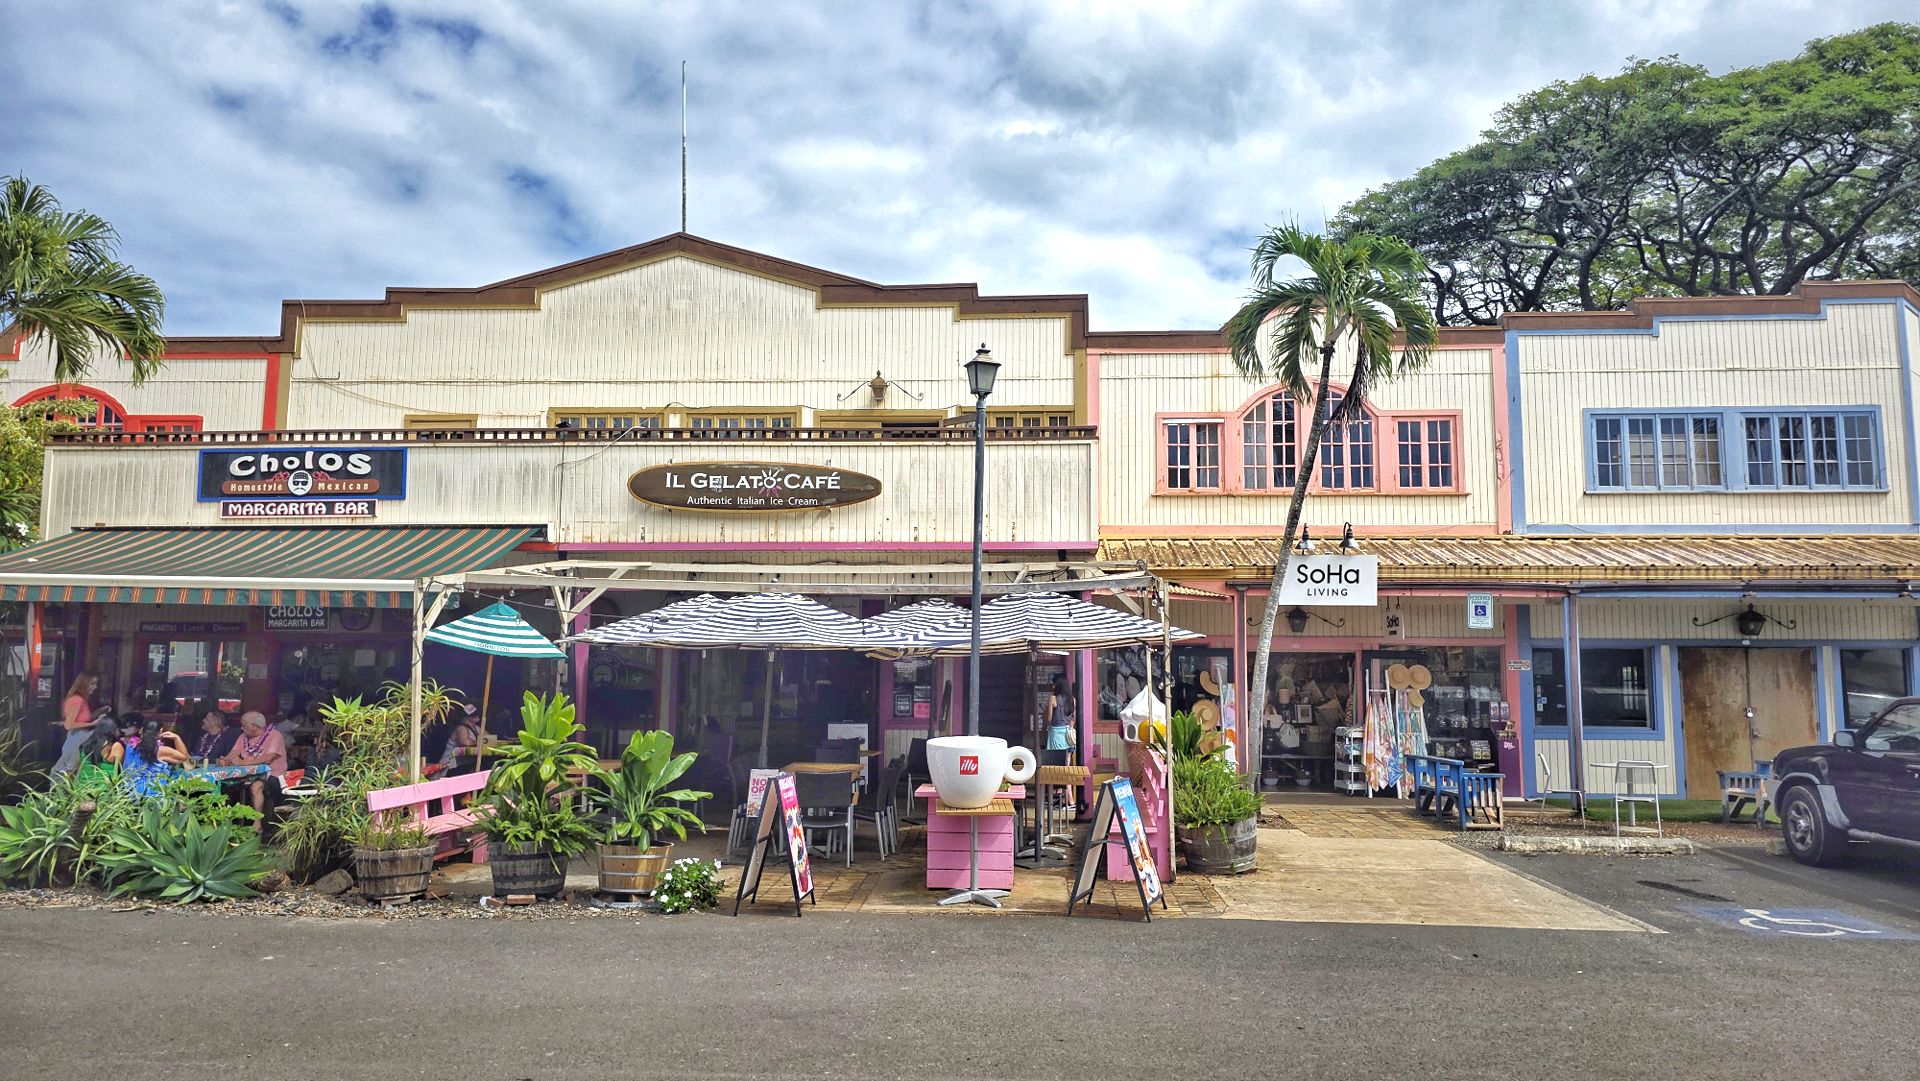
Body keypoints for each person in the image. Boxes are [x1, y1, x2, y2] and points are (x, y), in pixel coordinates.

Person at [219, 710, 287, 824]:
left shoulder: (275, 735)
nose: (241, 728)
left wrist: (242, 763)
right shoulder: (243, 737)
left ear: (255, 726)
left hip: (273, 775)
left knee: (256, 787)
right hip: (247, 775)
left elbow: (268, 758)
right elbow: (233, 753)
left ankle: (257, 823)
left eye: (244, 725)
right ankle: (228, 821)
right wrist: (225, 760)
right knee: (226, 785)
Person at [51, 671, 99, 775]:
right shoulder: (77, 700)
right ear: (84, 684)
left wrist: (99, 712)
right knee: (69, 771)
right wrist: (94, 724)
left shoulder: (81, 700)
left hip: (77, 738)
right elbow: (69, 725)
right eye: (92, 684)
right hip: (76, 739)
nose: (95, 687)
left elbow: (81, 719)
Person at [438, 703, 481, 774]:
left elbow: (488, 737)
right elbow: (465, 742)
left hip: (465, 764)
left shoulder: (476, 728)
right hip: (451, 765)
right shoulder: (461, 728)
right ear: (467, 717)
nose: (477, 716)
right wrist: (481, 742)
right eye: (473, 715)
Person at [1044, 677, 1078, 759]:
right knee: (1067, 756)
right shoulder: (1072, 700)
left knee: (1055, 757)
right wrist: (1071, 728)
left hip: (1056, 731)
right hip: (1068, 732)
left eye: (1054, 685)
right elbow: (1073, 718)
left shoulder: (1053, 699)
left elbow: (1049, 719)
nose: (1053, 687)